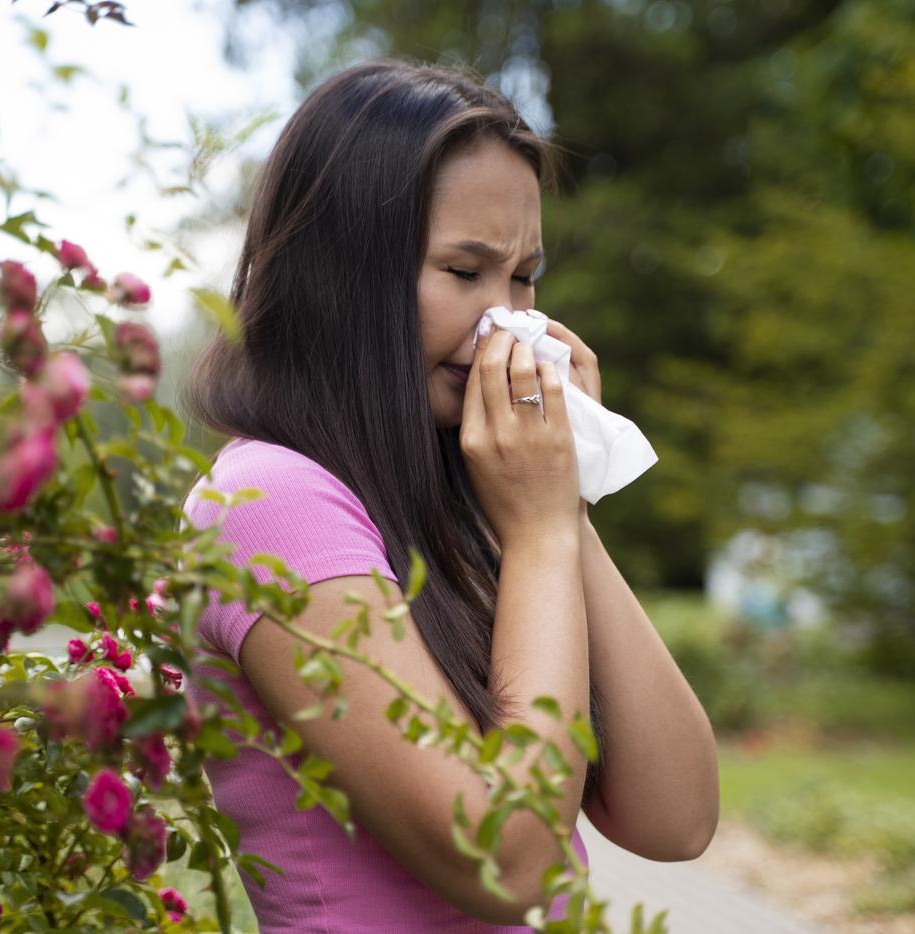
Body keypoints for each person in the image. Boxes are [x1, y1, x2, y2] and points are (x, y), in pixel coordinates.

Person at [180, 58, 719, 931]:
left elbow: (677, 818)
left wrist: (564, 506)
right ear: (342, 279)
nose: (509, 322)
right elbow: (505, 863)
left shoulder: (460, 501)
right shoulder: (270, 504)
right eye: (466, 273)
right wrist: (539, 533)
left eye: (524, 277)